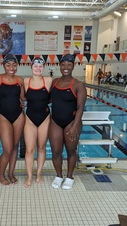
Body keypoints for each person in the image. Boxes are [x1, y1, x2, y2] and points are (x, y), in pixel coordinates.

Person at [49, 54, 87, 190]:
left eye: (69, 65)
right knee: (56, 151)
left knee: (71, 150)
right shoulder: (54, 82)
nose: (65, 67)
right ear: (59, 66)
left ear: (73, 66)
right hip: (55, 122)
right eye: (63, 64)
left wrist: (75, 126)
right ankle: (59, 176)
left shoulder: (78, 85)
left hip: (72, 122)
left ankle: (70, 176)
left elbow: (80, 107)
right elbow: (47, 99)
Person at [0, 54, 26, 185]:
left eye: (14, 65)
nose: (11, 67)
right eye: (8, 65)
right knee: (7, 149)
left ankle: (11, 173)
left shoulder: (20, 80)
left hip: (18, 116)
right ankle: (1, 175)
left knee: (15, 146)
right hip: (4, 116)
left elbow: (23, 98)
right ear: (4, 66)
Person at [23, 57, 52, 188]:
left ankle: (39, 173)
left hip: (45, 118)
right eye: (36, 66)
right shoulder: (25, 81)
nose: (38, 68)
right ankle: (29, 176)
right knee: (29, 150)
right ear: (31, 67)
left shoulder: (48, 80)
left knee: (41, 148)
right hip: (30, 119)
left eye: (41, 66)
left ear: (43, 68)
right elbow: (23, 97)